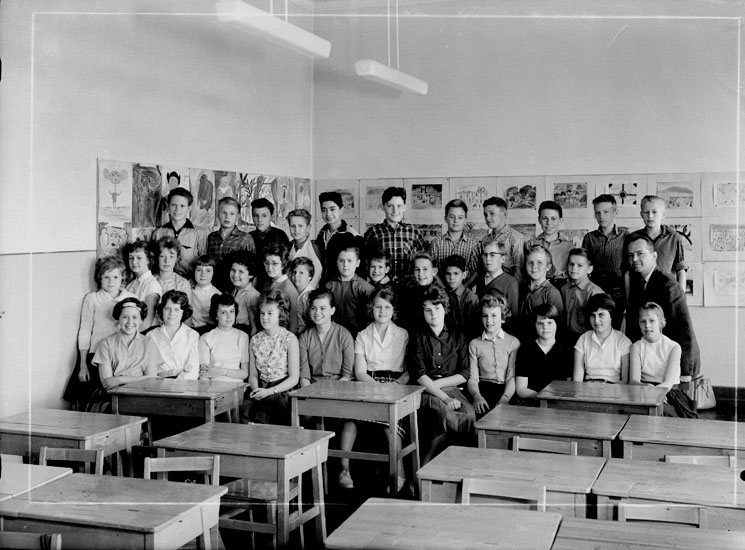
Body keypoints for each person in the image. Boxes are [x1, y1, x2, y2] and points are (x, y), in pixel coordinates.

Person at [408, 286, 475, 465]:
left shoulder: (457, 334)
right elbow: (419, 374)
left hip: (452, 388)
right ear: (423, 312)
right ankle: (427, 465)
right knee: (443, 413)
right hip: (427, 392)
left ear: (445, 308)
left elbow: (465, 373)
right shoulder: (418, 335)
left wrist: (440, 386)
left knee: (469, 414)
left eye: (437, 308)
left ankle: (458, 464)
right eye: (428, 310)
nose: (433, 314)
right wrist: (444, 397)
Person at [298, 288, 356, 488]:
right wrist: (311, 396)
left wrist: (332, 395)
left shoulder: (343, 335)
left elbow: (347, 374)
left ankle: (344, 469)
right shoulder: (305, 337)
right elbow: (304, 375)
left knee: (349, 418)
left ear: (332, 310)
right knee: (304, 415)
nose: (318, 313)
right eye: (314, 308)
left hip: (340, 391)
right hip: (313, 391)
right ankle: (309, 473)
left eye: (323, 308)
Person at [353, 285, 410, 492]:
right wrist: (377, 387)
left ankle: (399, 473)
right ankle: (350, 472)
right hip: (370, 383)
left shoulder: (402, 334)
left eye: (387, 307)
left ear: (394, 310)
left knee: (389, 421)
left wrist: (395, 386)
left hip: (397, 384)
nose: (382, 311)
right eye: (378, 307)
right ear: (371, 308)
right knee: (355, 417)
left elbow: (409, 371)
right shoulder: (363, 335)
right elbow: (360, 372)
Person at [625, 233, 700, 389]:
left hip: (672, 361)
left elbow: (683, 327)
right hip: (649, 360)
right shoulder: (637, 281)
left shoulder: (668, 284)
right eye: (631, 255)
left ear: (654, 256)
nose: (634, 259)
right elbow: (633, 322)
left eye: (640, 254)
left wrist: (686, 370)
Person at [65, 257, 135, 410]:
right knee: (90, 402)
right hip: (95, 357)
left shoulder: (130, 298)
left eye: (115, 277)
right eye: (106, 277)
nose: (111, 282)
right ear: (100, 278)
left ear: (122, 277)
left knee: (116, 401)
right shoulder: (92, 299)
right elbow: (85, 331)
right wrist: (82, 364)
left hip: (121, 358)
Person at [87, 298, 162, 412]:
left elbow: (150, 381)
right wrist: (141, 378)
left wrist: (119, 379)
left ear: (141, 320)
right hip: (111, 398)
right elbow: (107, 383)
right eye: (125, 317)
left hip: (141, 396)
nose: (130, 322)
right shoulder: (106, 344)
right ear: (119, 319)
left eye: (135, 317)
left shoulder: (149, 344)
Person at [629, 302, 697, 418]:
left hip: (669, 392)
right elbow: (633, 381)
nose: (647, 325)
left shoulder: (673, 347)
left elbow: (668, 382)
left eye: (652, 321)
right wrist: (647, 390)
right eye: (643, 321)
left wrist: (656, 394)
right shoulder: (636, 347)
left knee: (662, 411)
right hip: (644, 391)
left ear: (660, 322)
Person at [242, 290, 300, 426]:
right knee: (246, 410)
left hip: (281, 390)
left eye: (270, 313)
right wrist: (256, 390)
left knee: (272, 409)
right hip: (260, 387)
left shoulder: (290, 339)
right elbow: (253, 374)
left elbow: (294, 378)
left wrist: (269, 391)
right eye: (262, 313)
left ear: (280, 315)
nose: (265, 317)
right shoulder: (255, 340)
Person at [467, 294, 520, 417]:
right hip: (482, 390)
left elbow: (511, 376)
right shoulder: (474, 344)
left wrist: (505, 398)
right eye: (485, 316)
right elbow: (473, 378)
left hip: (506, 390)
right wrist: (477, 396)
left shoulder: (513, 342)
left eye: (494, 316)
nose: (489, 320)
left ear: (503, 318)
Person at [364, 186, 429, 283]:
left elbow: (425, 261)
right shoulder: (373, 232)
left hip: (409, 286)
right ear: (384, 206)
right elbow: (365, 262)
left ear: (405, 207)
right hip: (381, 287)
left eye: (399, 206)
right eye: (390, 206)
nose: (395, 210)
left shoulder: (414, 232)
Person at [582, 194, 628, 329]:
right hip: (595, 290)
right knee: (595, 327)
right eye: (597, 212)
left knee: (615, 329)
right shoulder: (589, 238)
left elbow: (629, 268)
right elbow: (584, 267)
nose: (601, 216)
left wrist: (627, 294)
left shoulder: (626, 236)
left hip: (618, 292)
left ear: (615, 212)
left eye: (606, 212)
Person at [626, 195, 687, 290]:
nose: (650, 216)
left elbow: (680, 269)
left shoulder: (674, 237)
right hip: (640, 292)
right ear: (641, 214)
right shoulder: (632, 238)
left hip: (666, 291)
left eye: (654, 212)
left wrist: (681, 295)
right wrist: (628, 297)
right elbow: (627, 272)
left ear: (663, 215)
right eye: (646, 212)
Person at [515, 304, 569, 404]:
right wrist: (541, 397)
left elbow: (570, 385)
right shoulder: (526, 349)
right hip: (532, 402)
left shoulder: (565, 350)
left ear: (556, 324)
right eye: (540, 323)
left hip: (559, 402)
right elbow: (520, 389)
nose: (545, 327)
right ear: (535, 325)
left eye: (549, 323)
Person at [572, 294, 631, 384]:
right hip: (588, 389)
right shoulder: (583, 339)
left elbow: (624, 381)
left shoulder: (623, 341)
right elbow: (577, 380)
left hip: (615, 389)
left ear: (611, 316)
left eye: (601, 315)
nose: (596, 320)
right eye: (593, 315)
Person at [151, 187, 208, 277]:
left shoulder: (199, 233)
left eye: (182, 206)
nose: (177, 209)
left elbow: (205, 263)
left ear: (189, 208)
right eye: (173, 205)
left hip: (190, 281)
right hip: (163, 280)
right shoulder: (158, 233)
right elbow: (153, 262)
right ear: (168, 207)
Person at [206, 197, 256, 292]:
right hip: (213, 286)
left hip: (235, 287)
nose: (227, 217)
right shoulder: (212, 237)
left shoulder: (245, 238)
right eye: (224, 213)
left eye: (232, 214)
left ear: (237, 216)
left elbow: (253, 268)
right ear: (217, 214)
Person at [147, 290, 199, 379]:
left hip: (184, 383)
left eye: (176, 309)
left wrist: (177, 382)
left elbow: (193, 369)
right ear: (162, 310)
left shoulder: (192, 335)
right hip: (157, 382)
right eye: (167, 309)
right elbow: (149, 368)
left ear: (183, 312)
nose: (172, 313)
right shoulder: (151, 335)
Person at [518, 244, 564, 342]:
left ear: (548, 267)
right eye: (530, 262)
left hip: (541, 342)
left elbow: (557, 326)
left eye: (539, 263)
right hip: (520, 340)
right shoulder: (521, 289)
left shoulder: (552, 293)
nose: (534, 267)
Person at [325, 246, 374, 337]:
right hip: (333, 334)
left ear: (357, 263)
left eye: (350, 261)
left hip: (358, 335)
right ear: (336, 262)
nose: (345, 264)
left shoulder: (366, 288)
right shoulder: (329, 286)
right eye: (341, 260)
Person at [198, 294, 249, 383]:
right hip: (213, 387)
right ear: (216, 315)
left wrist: (221, 371)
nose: (229, 316)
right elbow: (204, 375)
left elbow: (244, 373)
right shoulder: (206, 338)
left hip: (237, 387)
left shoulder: (243, 336)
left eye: (232, 311)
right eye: (223, 312)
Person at [429, 199, 479, 288]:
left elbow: (475, 272)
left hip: (464, 291)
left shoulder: (473, 244)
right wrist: (444, 290)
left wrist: (461, 291)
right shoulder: (436, 243)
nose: (456, 221)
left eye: (460, 217)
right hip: (440, 291)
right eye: (452, 217)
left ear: (465, 220)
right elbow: (431, 270)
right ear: (445, 218)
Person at [316, 191, 365, 281]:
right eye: (324, 210)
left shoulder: (353, 236)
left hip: (343, 285)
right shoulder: (321, 234)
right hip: (324, 284)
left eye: (332, 209)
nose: (328, 214)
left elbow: (360, 270)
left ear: (341, 210)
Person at [561, 248, 604, 346]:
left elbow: (600, 325)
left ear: (589, 269)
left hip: (587, 340)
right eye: (571, 264)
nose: (574, 268)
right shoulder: (564, 289)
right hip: (566, 338)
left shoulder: (594, 292)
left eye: (579, 265)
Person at [525, 200, 573, 288]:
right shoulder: (530, 244)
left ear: (560, 220)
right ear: (539, 220)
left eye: (553, 218)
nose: (549, 223)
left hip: (563, 286)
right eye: (544, 218)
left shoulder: (569, 246)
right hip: (537, 285)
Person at [474, 240, 519, 332]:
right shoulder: (480, 279)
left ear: (502, 259)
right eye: (485, 255)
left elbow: (513, 317)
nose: (488, 259)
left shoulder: (510, 282)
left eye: (492, 255)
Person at [479, 196, 524, 282]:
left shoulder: (515, 238)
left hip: (508, 286)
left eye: (492, 213)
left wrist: (512, 288)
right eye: (485, 215)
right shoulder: (485, 240)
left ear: (504, 214)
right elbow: (483, 269)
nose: (487, 218)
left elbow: (519, 272)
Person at [260, 245, 299, 334]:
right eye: (267, 263)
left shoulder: (288, 289)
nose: (269, 267)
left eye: (274, 263)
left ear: (283, 264)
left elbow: (294, 324)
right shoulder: (268, 283)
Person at [124, 240, 162, 331]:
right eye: (131, 258)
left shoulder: (152, 285)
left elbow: (147, 322)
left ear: (148, 260)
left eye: (139, 258)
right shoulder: (130, 285)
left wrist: (131, 336)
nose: (134, 262)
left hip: (144, 332)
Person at [441, 254, 480, 341]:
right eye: (448, 274)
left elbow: (472, 330)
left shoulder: (471, 299)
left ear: (464, 275)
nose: (451, 278)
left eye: (456, 273)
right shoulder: (443, 295)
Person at [286, 208, 323, 288]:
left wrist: (306, 293)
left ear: (308, 227)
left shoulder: (314, 248)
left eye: (300, 226)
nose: (296, 230)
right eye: (293, 226)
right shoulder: (288, 246)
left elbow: (317, 275)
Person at [186, 255, 221, 334]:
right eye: (199, 270)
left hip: (209, 331)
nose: (203, 274)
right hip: (189, 329)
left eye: (208, 271)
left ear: (213, 273)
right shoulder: (188, 289)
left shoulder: (217, 295)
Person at [228, 251, 259, 335]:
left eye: (241, 272)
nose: (235, 275)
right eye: (233, 270)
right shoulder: (234, 291)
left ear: (251, 275)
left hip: (244, 334)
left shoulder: (252, 296)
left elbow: (254, 328)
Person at [289, 256, 317, 333]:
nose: (296, 275)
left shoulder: (311, 295)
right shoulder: (292, 293)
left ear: (310, 276)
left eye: (301, 273)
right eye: (294, 272)